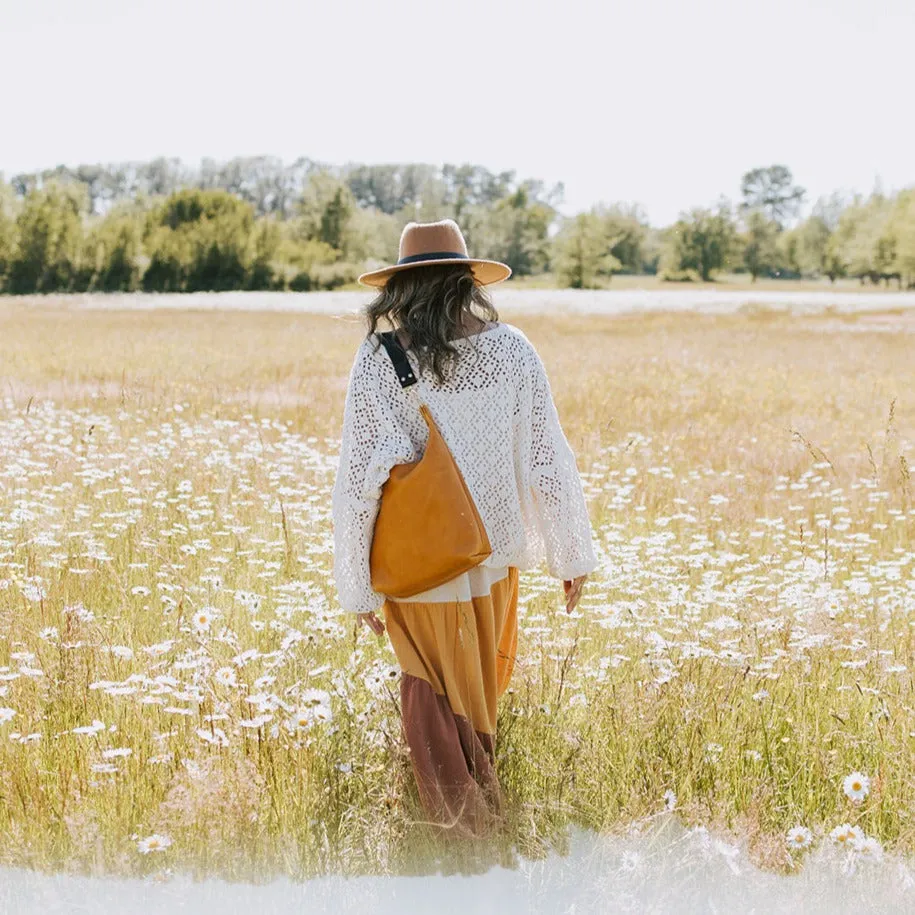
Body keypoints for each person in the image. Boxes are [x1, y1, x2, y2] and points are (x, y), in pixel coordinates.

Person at [331, 218, 598, 837]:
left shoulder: (382, 358)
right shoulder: (512, 349)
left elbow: (358, 479)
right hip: (493, 561)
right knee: (479, 701)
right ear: (464, 279)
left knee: (431, 699)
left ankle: (459, 842)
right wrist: (570, 554)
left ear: (401, 286)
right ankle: (481, 834)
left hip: (419, 565)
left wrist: (357, 584)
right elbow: (547, 456)